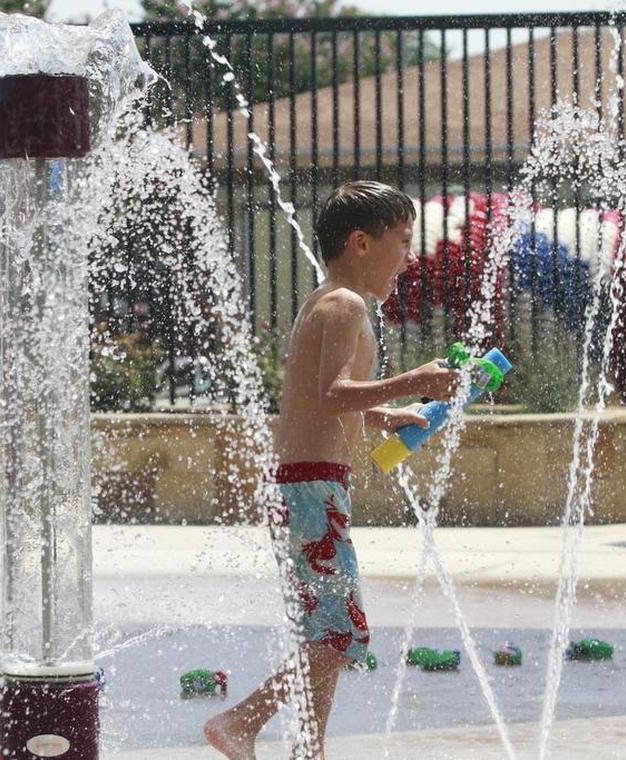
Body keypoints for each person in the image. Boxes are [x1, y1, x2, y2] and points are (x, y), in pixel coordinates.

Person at [204, 181, 462, 759]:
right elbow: (330, 394)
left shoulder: (329, 301)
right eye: (401, 240)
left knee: (326, 632)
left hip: (310, 483)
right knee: (339, 632)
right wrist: (415, 381)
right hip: (310, 485)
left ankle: (309, 750)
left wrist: (388, 415)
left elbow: (323, 399)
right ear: (361, 243)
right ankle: (241, 723)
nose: (408, 254)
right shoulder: (343, 304)